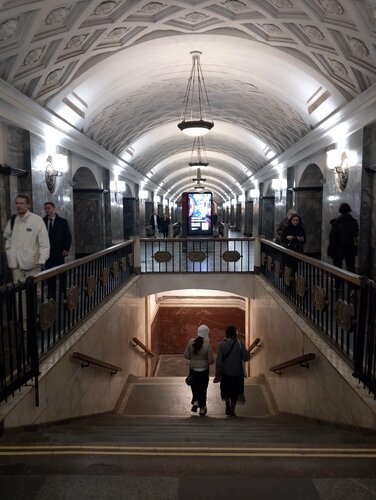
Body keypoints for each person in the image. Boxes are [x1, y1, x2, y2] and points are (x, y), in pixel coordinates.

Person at [3, 193, 50, 283]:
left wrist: (42, 260)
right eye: (17, 203)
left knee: (36, 290)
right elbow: (7, 236)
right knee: (18, 291)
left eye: (22, 203)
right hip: (16, 264)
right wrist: (9, 250)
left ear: (28, 205)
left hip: (33, 263)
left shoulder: (37, 220)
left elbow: (44, 242)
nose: (19, 205)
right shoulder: (13, 220)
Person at [214, 325, 250, 417]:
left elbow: (218, 361)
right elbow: (246, 358)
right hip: (238, 373)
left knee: (226, 390)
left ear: (226, 333)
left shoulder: (222, 345)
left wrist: (218, 374)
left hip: (225, 373)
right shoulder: (240, 343)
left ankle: (227, 405)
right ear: (235, 333)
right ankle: (232, 410)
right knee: (235, 392)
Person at [184, 324, 214, 416]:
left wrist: (194, 359)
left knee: (195, 386)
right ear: (206, 333)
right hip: (204, 371)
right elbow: (210, 361)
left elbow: (186, 355)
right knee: (203, 388)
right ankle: (202, 408)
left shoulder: (191, 342)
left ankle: (196, 401)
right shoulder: (207, 345)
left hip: (193, 369)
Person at [327, 203, 359, 273]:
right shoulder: (354, 222)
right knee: (351, 268)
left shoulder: (336, 222)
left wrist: (330, 250)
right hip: (350, 249)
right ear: (349, 210)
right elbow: (355, 237)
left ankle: (338, 283)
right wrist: (355, 249)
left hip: (338, 249)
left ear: (340, 210)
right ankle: (351, 283)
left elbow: (332, 238)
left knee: (337, 268)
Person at [43, 202, 72, 269]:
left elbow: (68, 237)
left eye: (48, 208)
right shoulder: (42, 221)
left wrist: (66, 249)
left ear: (54, 209)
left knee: (61, 272)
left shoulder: (62, 221)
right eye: (45, 209)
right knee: (49, 274)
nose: (47, 210)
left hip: (59, 252)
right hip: (47, 254)